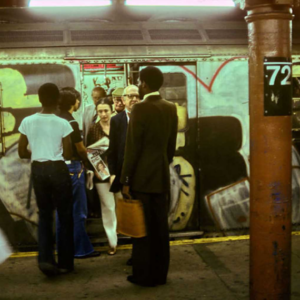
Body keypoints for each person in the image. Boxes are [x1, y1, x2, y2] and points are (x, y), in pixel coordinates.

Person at [121, 66, 178, 287]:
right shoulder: (170, 108)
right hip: (161, 176)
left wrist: (126, 179)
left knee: (141, 229)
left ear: (144, 83)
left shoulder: (139, 109)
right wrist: (162, 163)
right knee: (160, 230)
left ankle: (143, 275)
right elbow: (171, 147)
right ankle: (160, 274)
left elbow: (132, 148)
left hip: (141, 180)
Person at [18, 83, 74, 276]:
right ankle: (66, 263)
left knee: (45, 215)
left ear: (39, 99)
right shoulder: (63, 124)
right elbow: (67, 152)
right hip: (58, 168)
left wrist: (38, 152)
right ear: (58, 99)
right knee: (65, 216)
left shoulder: (27, 121)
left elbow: (21, 151)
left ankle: (45, 260)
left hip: (38, 169)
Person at [57, 87, 100, 259]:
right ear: (74, 101)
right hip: (73, 169)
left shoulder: (55, 119)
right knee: (79, 211)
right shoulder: (71, 122)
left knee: (62, 213)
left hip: (58, 168)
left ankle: (64, 249)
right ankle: (82, 249)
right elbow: (80, 150)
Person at [87, 97, 118, 255]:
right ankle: (112, 241)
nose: (103, 114)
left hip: (119, 172)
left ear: (111, 110)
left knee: (123, 206)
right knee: (108, 207)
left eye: (106, 110)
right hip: (101, 175)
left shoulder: (119, 125)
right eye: (100, 111)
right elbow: (90, 153)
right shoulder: (93, 129)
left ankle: (127, 234)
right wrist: (99, 172)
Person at [108, 85, 140, 200]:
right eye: (131, 96)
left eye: (137, 96)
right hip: (122, 172)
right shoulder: (116, 120)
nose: (134, 99)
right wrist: (112, 173)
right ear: (123, 99)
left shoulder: (146, 117)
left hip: (142, 173)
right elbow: (113, 149)